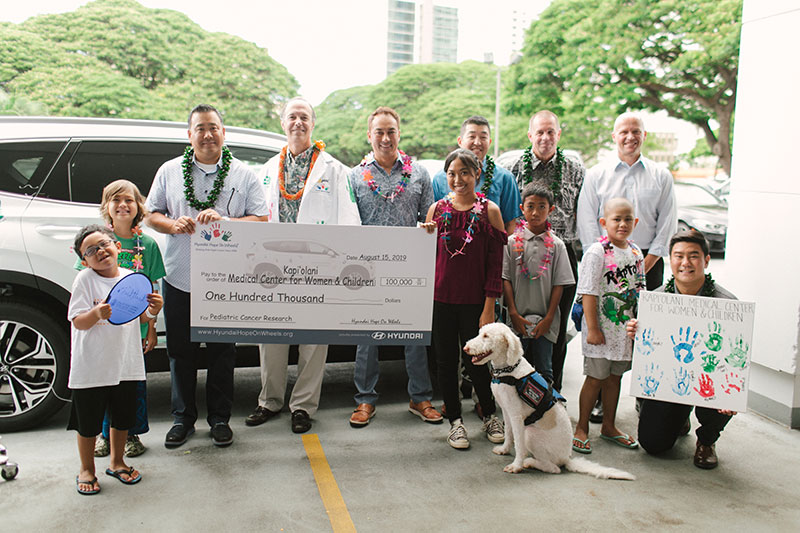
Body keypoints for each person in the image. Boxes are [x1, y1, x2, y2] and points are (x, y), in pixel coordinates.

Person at [145, 104, 269, 448]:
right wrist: (172, 224)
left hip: (224, 282)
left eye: (213, 127)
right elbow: (150, 212)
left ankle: (219, 419)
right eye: (200, 128)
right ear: (190, 135)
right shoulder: (170, 171)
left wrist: (227, 223)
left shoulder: (243, 175)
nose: (208, 134)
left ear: (223, 132)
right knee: (180, 352)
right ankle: (182, 419)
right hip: (180, 277)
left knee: (222, 353)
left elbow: (261, 219)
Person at [246, 97, 361, 434]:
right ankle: (269, 400)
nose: (298, 123)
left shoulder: (335, 169)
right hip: (274, 264)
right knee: (271, 335)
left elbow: (349, 219)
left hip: (318, 265)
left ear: (313, 124)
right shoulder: (267, 169)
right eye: (292, 117)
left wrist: (341, 264)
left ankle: (303, 406)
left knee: (313, 340)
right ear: (283, 123)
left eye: (304, 117)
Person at [576, 112, 676, 422]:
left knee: (645, 333)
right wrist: (607, 256)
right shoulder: (597, 173)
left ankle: (648, 397)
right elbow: (587, 218)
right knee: (606, 329)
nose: (630, 136)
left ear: (644, 136)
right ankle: (600, 403)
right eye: (624, 131)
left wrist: (645, 262)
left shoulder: (661, 175)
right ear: (614, 136)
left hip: (647, 260)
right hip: (605, 261)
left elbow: (668, 222)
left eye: (636, 131)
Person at [347, 106, 442, 428]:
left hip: (408, 267)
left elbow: (430, 218)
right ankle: (364, 400)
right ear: (369, 135)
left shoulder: (419, 174)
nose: (385, 138)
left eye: (391, 132)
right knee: (366, 337)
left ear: (399, 134)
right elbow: (349, 223)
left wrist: (428, 228)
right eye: (379, 132)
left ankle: (420, 397)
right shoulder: (355, 176)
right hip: (367, 269)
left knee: (414, 335)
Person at [627, 229, 736, 469]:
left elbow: (732, 359)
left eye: (693, 256)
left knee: (723, 397)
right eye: (678, 256)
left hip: (708, 379)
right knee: (653, 444)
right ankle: (679, 417)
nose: (685, 263)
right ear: (670, 260)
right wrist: (638, 335)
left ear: (707, 260)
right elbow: (649, 357)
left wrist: (731, 393)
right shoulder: (655, 300)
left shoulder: (727, 306)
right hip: (671, 380)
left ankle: (706, 441)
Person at [68, 224, 163, 495]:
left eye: (104, 244)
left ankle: (117, 462)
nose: (100, 251)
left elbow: (141, 315)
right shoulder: (85, 280)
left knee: (122, 418)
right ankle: (87, 468)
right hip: (92, 366)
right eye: (91, 250)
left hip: (125, 364)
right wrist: (96, 314)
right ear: (83, 260)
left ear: (117, 247)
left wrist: (154, 310)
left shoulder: (131, 277)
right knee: (87, 422)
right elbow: (78, 321)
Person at [424, 148, 506, 449]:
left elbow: (496, 266)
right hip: (441, 299)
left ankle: (489, 415)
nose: (458, 179)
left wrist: (489, 306)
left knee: (478, 363)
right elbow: (424, 256)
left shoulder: (490, 211)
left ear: (477, 175)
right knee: (445, 363)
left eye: (465, 173)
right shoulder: (437, 210)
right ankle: (455, 422)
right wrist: (423, 233)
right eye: (452, 174)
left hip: (475, 302)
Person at [85, 180, 166, 459]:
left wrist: (152, 328)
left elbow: (152, 288)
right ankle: (103, 435)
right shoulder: (97, 242)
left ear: (138, 206)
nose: (123, 205)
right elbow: (85, 279)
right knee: (103, 382)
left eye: (129, 200)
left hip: (135, 330)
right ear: (107, 207)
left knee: (132, 385)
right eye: (116, 200)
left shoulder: (148, 245)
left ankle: (131, 435)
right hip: (103, 329)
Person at [508, 110, 584, 392]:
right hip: (523, 255)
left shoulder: (576, 169)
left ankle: (553, 391)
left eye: (550, 132)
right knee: (522, 327)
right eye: (539, 132)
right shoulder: (515, 167)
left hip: (562, 256)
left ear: (558, 134)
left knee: (556, 327)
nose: (545, 137)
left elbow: (584, 214)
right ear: (530, 135)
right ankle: (521, 389)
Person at [571, 198, 644, 455]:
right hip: (600, 330)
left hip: (623, 331)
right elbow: (588, 292)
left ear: (635, 222)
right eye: (616, 219)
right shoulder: (596, 252)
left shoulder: (636, 252)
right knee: (595, 378)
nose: (622, 224)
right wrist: (592, 328)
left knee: (615, 377)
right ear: (604, 223)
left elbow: (639, 290)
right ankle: (581, 427)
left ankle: (609, 426)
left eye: (627, 219)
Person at [502, 183, 574, 383]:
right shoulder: (511, 242)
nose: (535, 212)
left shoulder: (557, 245)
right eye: (530, 206)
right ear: (521, 208)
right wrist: (513, 313)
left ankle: (545, 411)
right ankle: (519, 412)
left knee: (544, 370)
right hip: (517, 320)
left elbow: (559, 284)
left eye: (542, 206)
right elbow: (505, 279)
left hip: (545, 321)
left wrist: (549, 317)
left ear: (551, 209)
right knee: (515, 368)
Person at [432, 115, 521, 234]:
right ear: (460, 141)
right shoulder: (440, 178)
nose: (477, 142)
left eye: (483, 137)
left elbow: (511, 223)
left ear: (489, 142)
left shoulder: (505, 178)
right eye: (472, 136)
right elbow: (434, 221)